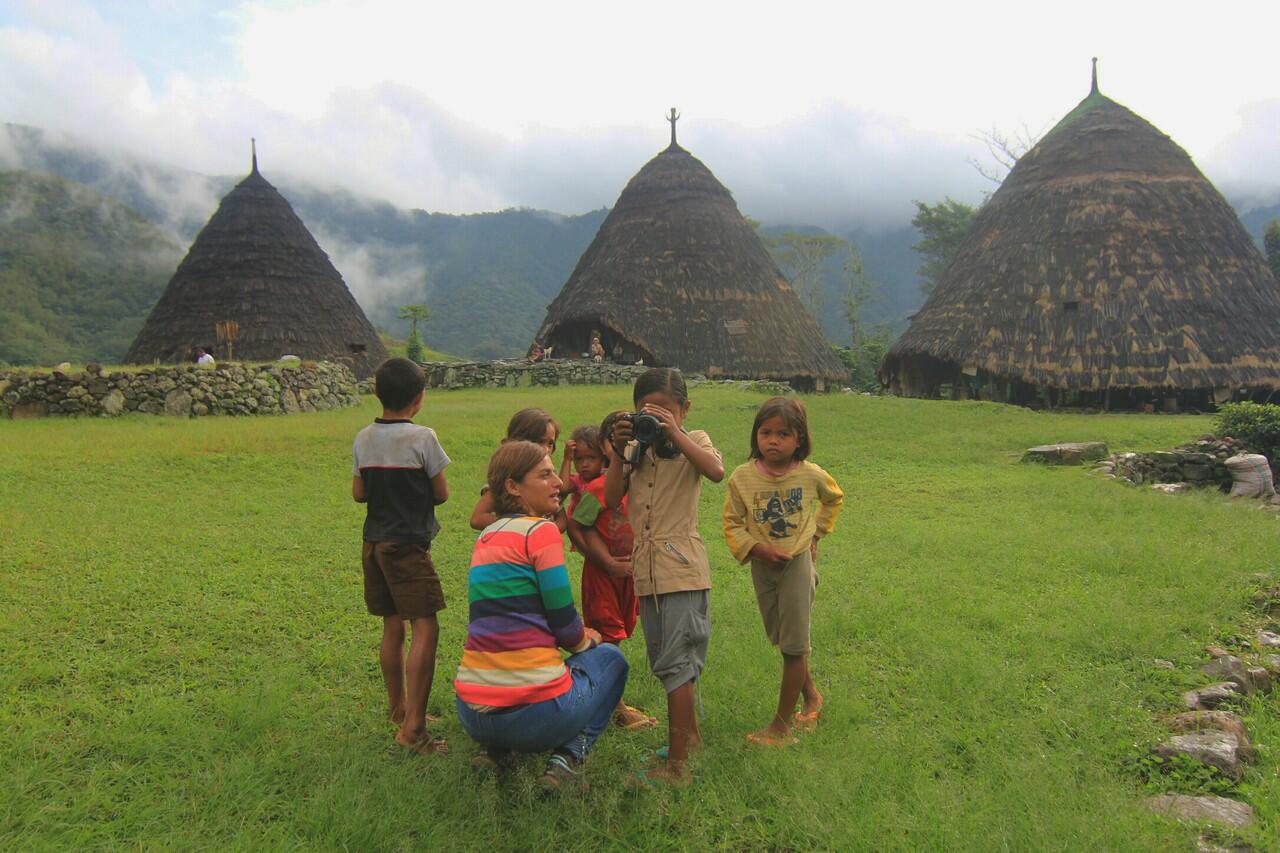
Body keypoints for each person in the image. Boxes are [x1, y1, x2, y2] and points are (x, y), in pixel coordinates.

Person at [454, 441, 629, 791]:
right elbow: (564, 624)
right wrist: (587, 640)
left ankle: (494, 750)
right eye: (545, 475)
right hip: (534, 717)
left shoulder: (487, 535)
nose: (559, 484)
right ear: (513, 487)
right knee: (611, 660)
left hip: (471, 712)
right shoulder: (541, 531)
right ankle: (567, 758)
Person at [605, 368, 724, 785]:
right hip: (647, 571)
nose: (655, 421)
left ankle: (678, 767)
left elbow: (715, 471)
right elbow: (609, 496)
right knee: (665, 663)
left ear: (685, 410)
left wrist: (676, 432)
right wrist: (618, 450)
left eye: (666, 413)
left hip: (682, 570)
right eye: (646, 413)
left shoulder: (697, 441)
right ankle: (687, 742)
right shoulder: (637, 448)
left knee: (678, 665)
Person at [723, 397, 843, 746]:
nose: (773, 440)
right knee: (781, 637)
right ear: (755, 435)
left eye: (783, 434)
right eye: (766, 432)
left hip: (796, 565)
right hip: (762, 568)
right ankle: (813, 697)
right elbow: (732, 522)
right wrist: (756, 548)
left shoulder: (810, 474)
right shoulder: (742, 478)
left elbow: (833, 498)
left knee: (793, 646)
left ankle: (780, 728)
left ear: (799, 439)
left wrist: (816, 533)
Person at [351, 357, 451, 755]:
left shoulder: (363, 438)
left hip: (373, 545)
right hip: (407, 547)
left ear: (378, 394)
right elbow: (441, 493)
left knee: (393, 627)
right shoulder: (423, 438)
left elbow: (359, 494)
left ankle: (398, 708)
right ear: (419, 397)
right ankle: (413, 730)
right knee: (426, 628)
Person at [565, 415, 655, 731]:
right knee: (608, 639)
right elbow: (578, 524)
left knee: (619, 633)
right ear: (607, 447)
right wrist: (603, 561)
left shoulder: (647, 482)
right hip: (604, 576)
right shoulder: (599, 488)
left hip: (632, 575)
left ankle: (602, 699)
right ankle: (614, 707)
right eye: (616, 440)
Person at [469, 408, 563, 531]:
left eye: (550, 444)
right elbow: (478, 519)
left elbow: (560, 520)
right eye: (538, 442)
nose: (545, 449)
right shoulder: (510, 481)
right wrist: (520, 527)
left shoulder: (547, 479)